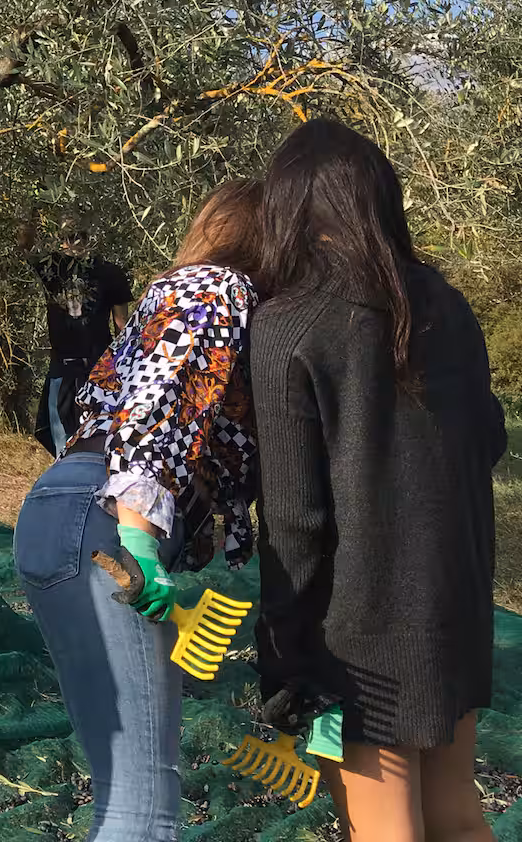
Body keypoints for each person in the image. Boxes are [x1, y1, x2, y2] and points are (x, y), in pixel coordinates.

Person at [252, 119, 506, 842]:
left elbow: (295, 519)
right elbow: (487, 438)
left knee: (384, 828)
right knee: (458, 813)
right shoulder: (446, 305)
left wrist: (283, 652)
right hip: (458, 599)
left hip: (359, 631)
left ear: (290, 209)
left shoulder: (289, 324)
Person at [13, 180, 263, 842]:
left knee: (125, 796)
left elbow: (110, 404)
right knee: (144, 814)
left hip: (60, 509)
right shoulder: (214, 290)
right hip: (105, 527)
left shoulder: (174, 289)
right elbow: (157, 409)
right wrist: (142, 539)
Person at [20, 214, 133, 456]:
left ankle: (68, 478)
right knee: (97, 434)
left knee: (63, 439)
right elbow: (122, 326)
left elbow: (23, 244)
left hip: (74, 368)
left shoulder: (51, 267)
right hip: (95, 368)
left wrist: (32, 210)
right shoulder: (109, 271)